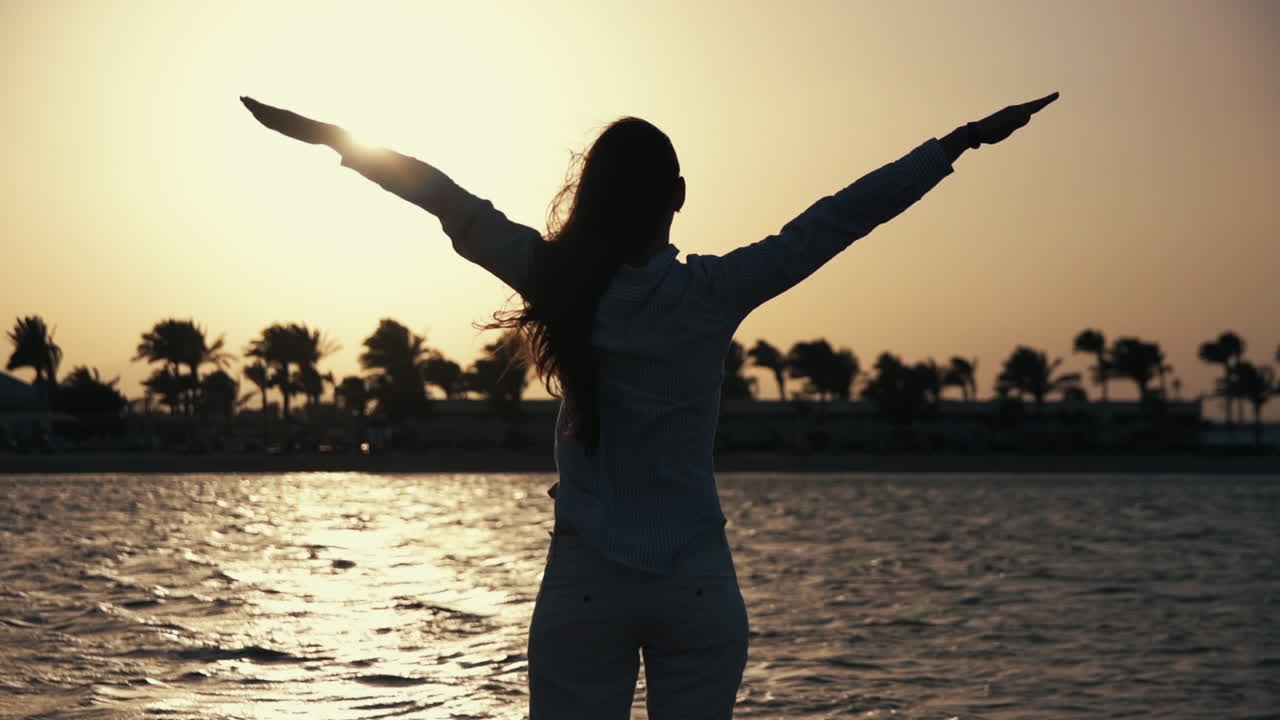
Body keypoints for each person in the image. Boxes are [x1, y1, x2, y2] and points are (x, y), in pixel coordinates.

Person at [241, 91, 1058, 719]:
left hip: (585, 583)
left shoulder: (557, 279)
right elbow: (836, 221)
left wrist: (334, 141)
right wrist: (954, 145)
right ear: (679, 195)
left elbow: (448, 201)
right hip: (699, 586)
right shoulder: (715, 292)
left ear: (592, 197)